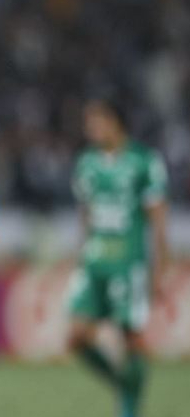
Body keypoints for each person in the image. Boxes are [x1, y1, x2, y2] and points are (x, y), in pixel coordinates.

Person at [68, 97, 169, 417]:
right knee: (76, 337)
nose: (90, 128)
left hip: (129, 262)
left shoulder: (144, 162)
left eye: (96, 120)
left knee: (132, 338)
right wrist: (79, 257)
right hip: (94, 261)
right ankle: (125, 385)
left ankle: (129, 408)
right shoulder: (87, 163)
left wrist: (160, 270)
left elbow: (158, 221)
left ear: (115, 121)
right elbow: (85, 216)